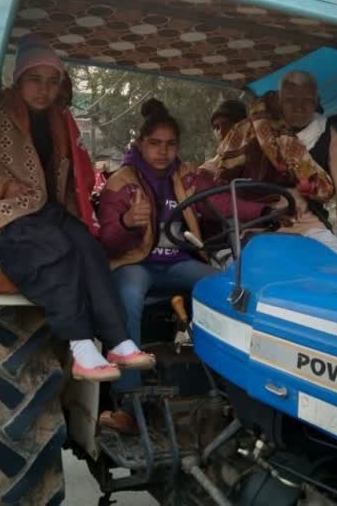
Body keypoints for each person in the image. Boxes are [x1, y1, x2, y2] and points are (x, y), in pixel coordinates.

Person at [0, 37, 153, 382]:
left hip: (46, 210)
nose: (43, 89)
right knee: (55, 250)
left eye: (52, 81)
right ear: (18, 79)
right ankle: (81, 346)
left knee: (88, 248)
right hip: (1, 211)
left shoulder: (59, 119)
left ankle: (118, 340)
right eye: (35, 79)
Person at [98, 98, 218, 432]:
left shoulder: (188, 176)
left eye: (170, 145)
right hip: (135, 262)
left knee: (221, 287)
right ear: (141, 144)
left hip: (179, 262)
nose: (163, 152)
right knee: (129, 298)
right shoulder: (121, 182)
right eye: (155, 144)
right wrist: (125, 222)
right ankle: (128, 402)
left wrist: (281, 198)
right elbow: (107, 242)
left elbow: (222, 199)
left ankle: (219, 388)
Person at [201, 70, 337, 266]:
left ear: (316, 102)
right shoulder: (251, 129)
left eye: (306, 100)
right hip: (254, 225)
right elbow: (213, 168)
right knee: (241, 274)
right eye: (291, 100)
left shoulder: (325, 135)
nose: (299, 107)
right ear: (280, 101)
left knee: (336, 268)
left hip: (306, 225)